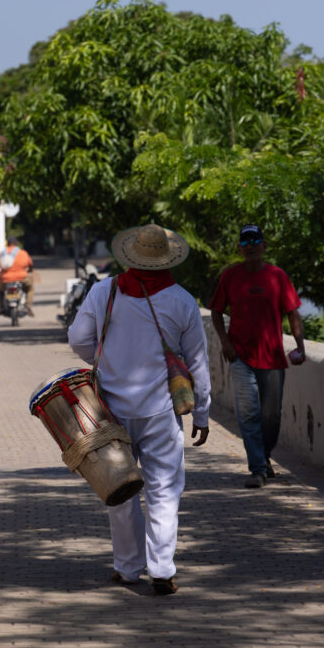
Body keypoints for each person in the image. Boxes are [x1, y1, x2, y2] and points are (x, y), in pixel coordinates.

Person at [68, 223, 210, 596]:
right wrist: (203, 413)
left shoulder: (105, 291)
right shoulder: (182, 300)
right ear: (167, 258)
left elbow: (78, 338)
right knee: (164, 489)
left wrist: (104, 359)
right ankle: (162, 570)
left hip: (111, 410)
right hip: (162, 410)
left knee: (122, 487)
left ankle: (128, 569)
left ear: (131, 256)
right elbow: (197, 363)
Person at [210, 223, 305, 489]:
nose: (250, 245)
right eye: (245, 242)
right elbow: (216, 311)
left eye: (255, 241)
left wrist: (301, 345)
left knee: (271, 416)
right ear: (240, 249)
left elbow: (293, 313)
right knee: (249, 413)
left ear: (264, 246)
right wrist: (225, 342)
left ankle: (264, 457)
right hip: (240, 356)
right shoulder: (230, 277)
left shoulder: (277, 276)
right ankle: (258, 469)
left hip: (273, 357)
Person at [0, 235, 35, 316]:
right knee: (30, 288)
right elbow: (30, 263)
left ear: (7, 244)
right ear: (16, 243)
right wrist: (30, 270)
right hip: (21, 278)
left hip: (5, 280)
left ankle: (1, 307)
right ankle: (28, 307)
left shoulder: (3, 253)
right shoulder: (22, 253)